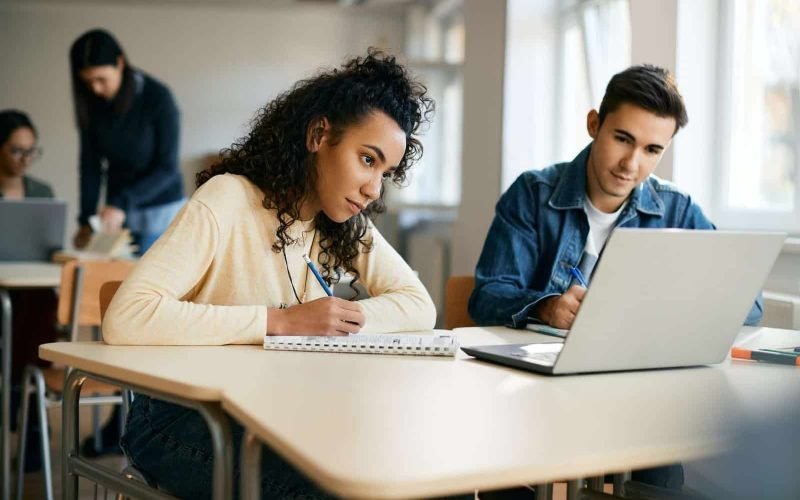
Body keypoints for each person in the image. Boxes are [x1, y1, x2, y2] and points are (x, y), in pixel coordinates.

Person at [102, 50, 440, 499]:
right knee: (337, 489)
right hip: (182, 419)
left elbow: (420, 306)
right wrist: (280, 322)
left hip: (277, 412)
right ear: (319, 135)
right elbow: (126, 317)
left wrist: (338, 322)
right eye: (366, 159)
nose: (373, 188)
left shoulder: (343, 220)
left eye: (386, 172)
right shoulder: (227, 198)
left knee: (422, 477)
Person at [469, 64, 763, 491]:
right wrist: (548, 307)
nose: (631, 163)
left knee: (661, 469)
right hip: (532, 390)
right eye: (622, 139)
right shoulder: (532, 194)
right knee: (512, 476)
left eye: (652, 150)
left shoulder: (676, 209)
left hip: (630, 393)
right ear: (594, 124)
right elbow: (487, 295)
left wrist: (669, 306)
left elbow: (748, 304)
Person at [69, 28, 185, 254]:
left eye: (102, 79)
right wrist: (86, 220)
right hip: (120, 215)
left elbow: (168, 168)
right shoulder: (92, 104)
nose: (95, 88)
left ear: (120, 63)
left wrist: (121, 202)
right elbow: (90, 168)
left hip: (161, 212)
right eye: (88, 82)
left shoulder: (157, 97)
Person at [0, 110, 58, 471]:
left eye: (31, 151)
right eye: (17, 151)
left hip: (30, 291)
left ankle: (21, 397)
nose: (25, 159)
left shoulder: (41, 192)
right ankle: (26, 405)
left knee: (41, 301)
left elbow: (50, 246)